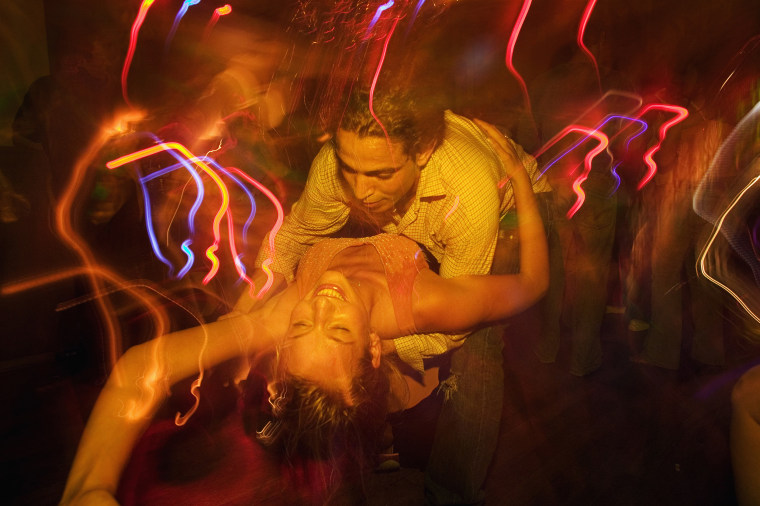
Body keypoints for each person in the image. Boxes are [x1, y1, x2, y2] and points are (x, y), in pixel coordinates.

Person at [59, 121, 548, 505]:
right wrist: (522, 182)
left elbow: (143, 369)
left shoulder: (282, 315)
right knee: (479, 344)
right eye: (337, 330)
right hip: (473, 209)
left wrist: (88, 486)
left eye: (300, 325)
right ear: (374, 345)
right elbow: (532, 283)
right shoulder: (428, 302)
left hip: (402, 200)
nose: (320, 303)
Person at [230, 84, 550, 505]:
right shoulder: (340, 165)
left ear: (422, 151)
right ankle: (378, 432)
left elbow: (455, 327)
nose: (360, 191)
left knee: (476, 352)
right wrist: (242, 309)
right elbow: (292, 236)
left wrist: (384, 340)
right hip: (416, 231)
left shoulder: (468, 194)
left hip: (509, 207)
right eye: (351, 169)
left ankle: (451, 492)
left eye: (380, 174)